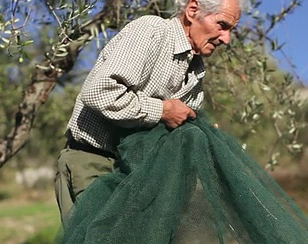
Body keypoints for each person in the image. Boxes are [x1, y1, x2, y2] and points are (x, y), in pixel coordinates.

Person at [55, 0, 250, 226]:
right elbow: (100, 93)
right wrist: (162, 110)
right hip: (93, 163)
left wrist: (199, 133)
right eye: (222, 25)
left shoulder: (196, 69)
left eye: (231, 30)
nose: (226, 39)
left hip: (135, 177)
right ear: (193, 10)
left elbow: (171, 130)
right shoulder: (152, 32)